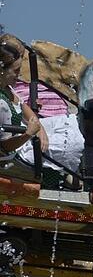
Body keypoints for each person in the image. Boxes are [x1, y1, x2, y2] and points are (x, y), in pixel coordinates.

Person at [0, 34, 83, 174]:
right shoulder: (1, 104)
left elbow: (25, 109)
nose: (19, 74)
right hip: (16, 154)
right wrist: (29, 134)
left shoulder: (8, 89)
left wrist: (40, 129)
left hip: (25, 135)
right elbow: (4, 147)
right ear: (2, 71)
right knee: (72, 143)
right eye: (16, 71)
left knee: (74, 124)